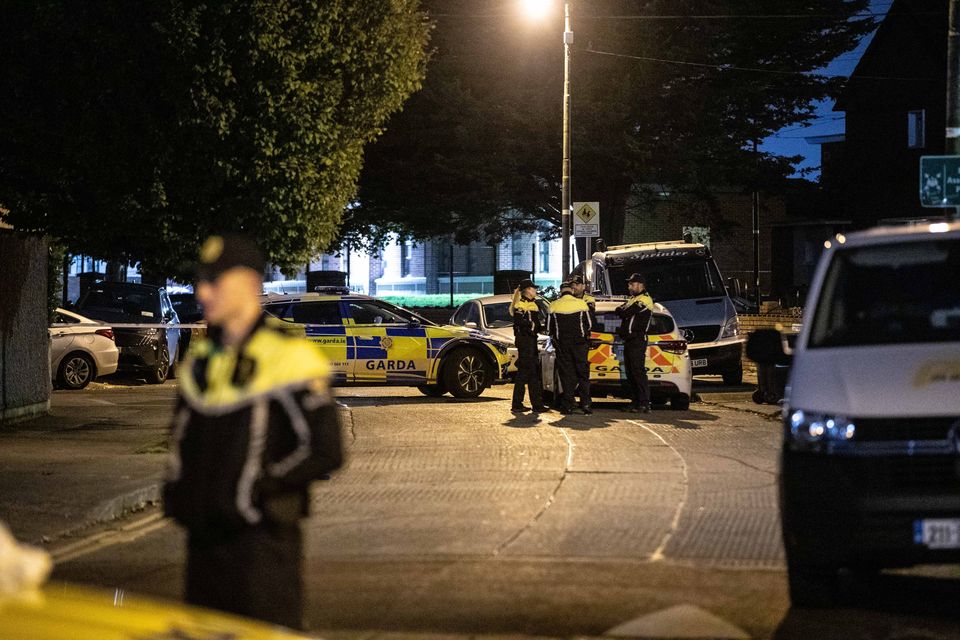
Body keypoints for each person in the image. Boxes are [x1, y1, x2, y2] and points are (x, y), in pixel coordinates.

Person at [163, 234, 343, 629]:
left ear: (248, 284)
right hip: (203, 548)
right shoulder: (201, 361)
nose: (201, 292)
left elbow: (326, 449)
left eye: (214, 281)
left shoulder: (291, 358)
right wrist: (179, 495)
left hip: (262, 549)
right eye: (200, 280)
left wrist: (258, 490)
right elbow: (181, 443)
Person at [547, 281, 593, 415]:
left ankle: (568, 405)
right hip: (580, 345)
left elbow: (549, 328)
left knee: (567, 375)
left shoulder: (553, 305)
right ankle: (586, 404)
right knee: (583, 375)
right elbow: (589, 324)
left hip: (563, 346)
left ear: (561, 292)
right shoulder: (581, 304)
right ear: (571, 291)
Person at [509, 279, 550, 414]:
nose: (536, 291)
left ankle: (532, 404)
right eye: (534, 289)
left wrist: (537, 328)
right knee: (525, 373)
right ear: (528, 290)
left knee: (531, 373)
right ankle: (521, 404)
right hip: (526, 342)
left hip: (529, 341)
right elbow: (522, 323)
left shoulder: (530, 305)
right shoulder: (521, 305)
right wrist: (534, 327)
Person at [616, 273, 654, 413]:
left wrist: (623, 311)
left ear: (640, 285)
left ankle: (644, 403)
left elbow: (625, 312)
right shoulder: (633, 299)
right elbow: (619, 310)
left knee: (638, 372)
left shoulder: (645, 299)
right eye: (629, 284)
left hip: (638, 339)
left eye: (632, 284)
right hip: (630, 340)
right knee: (631, 373)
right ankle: (636, 401)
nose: (629, 286)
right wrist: (623, 311)